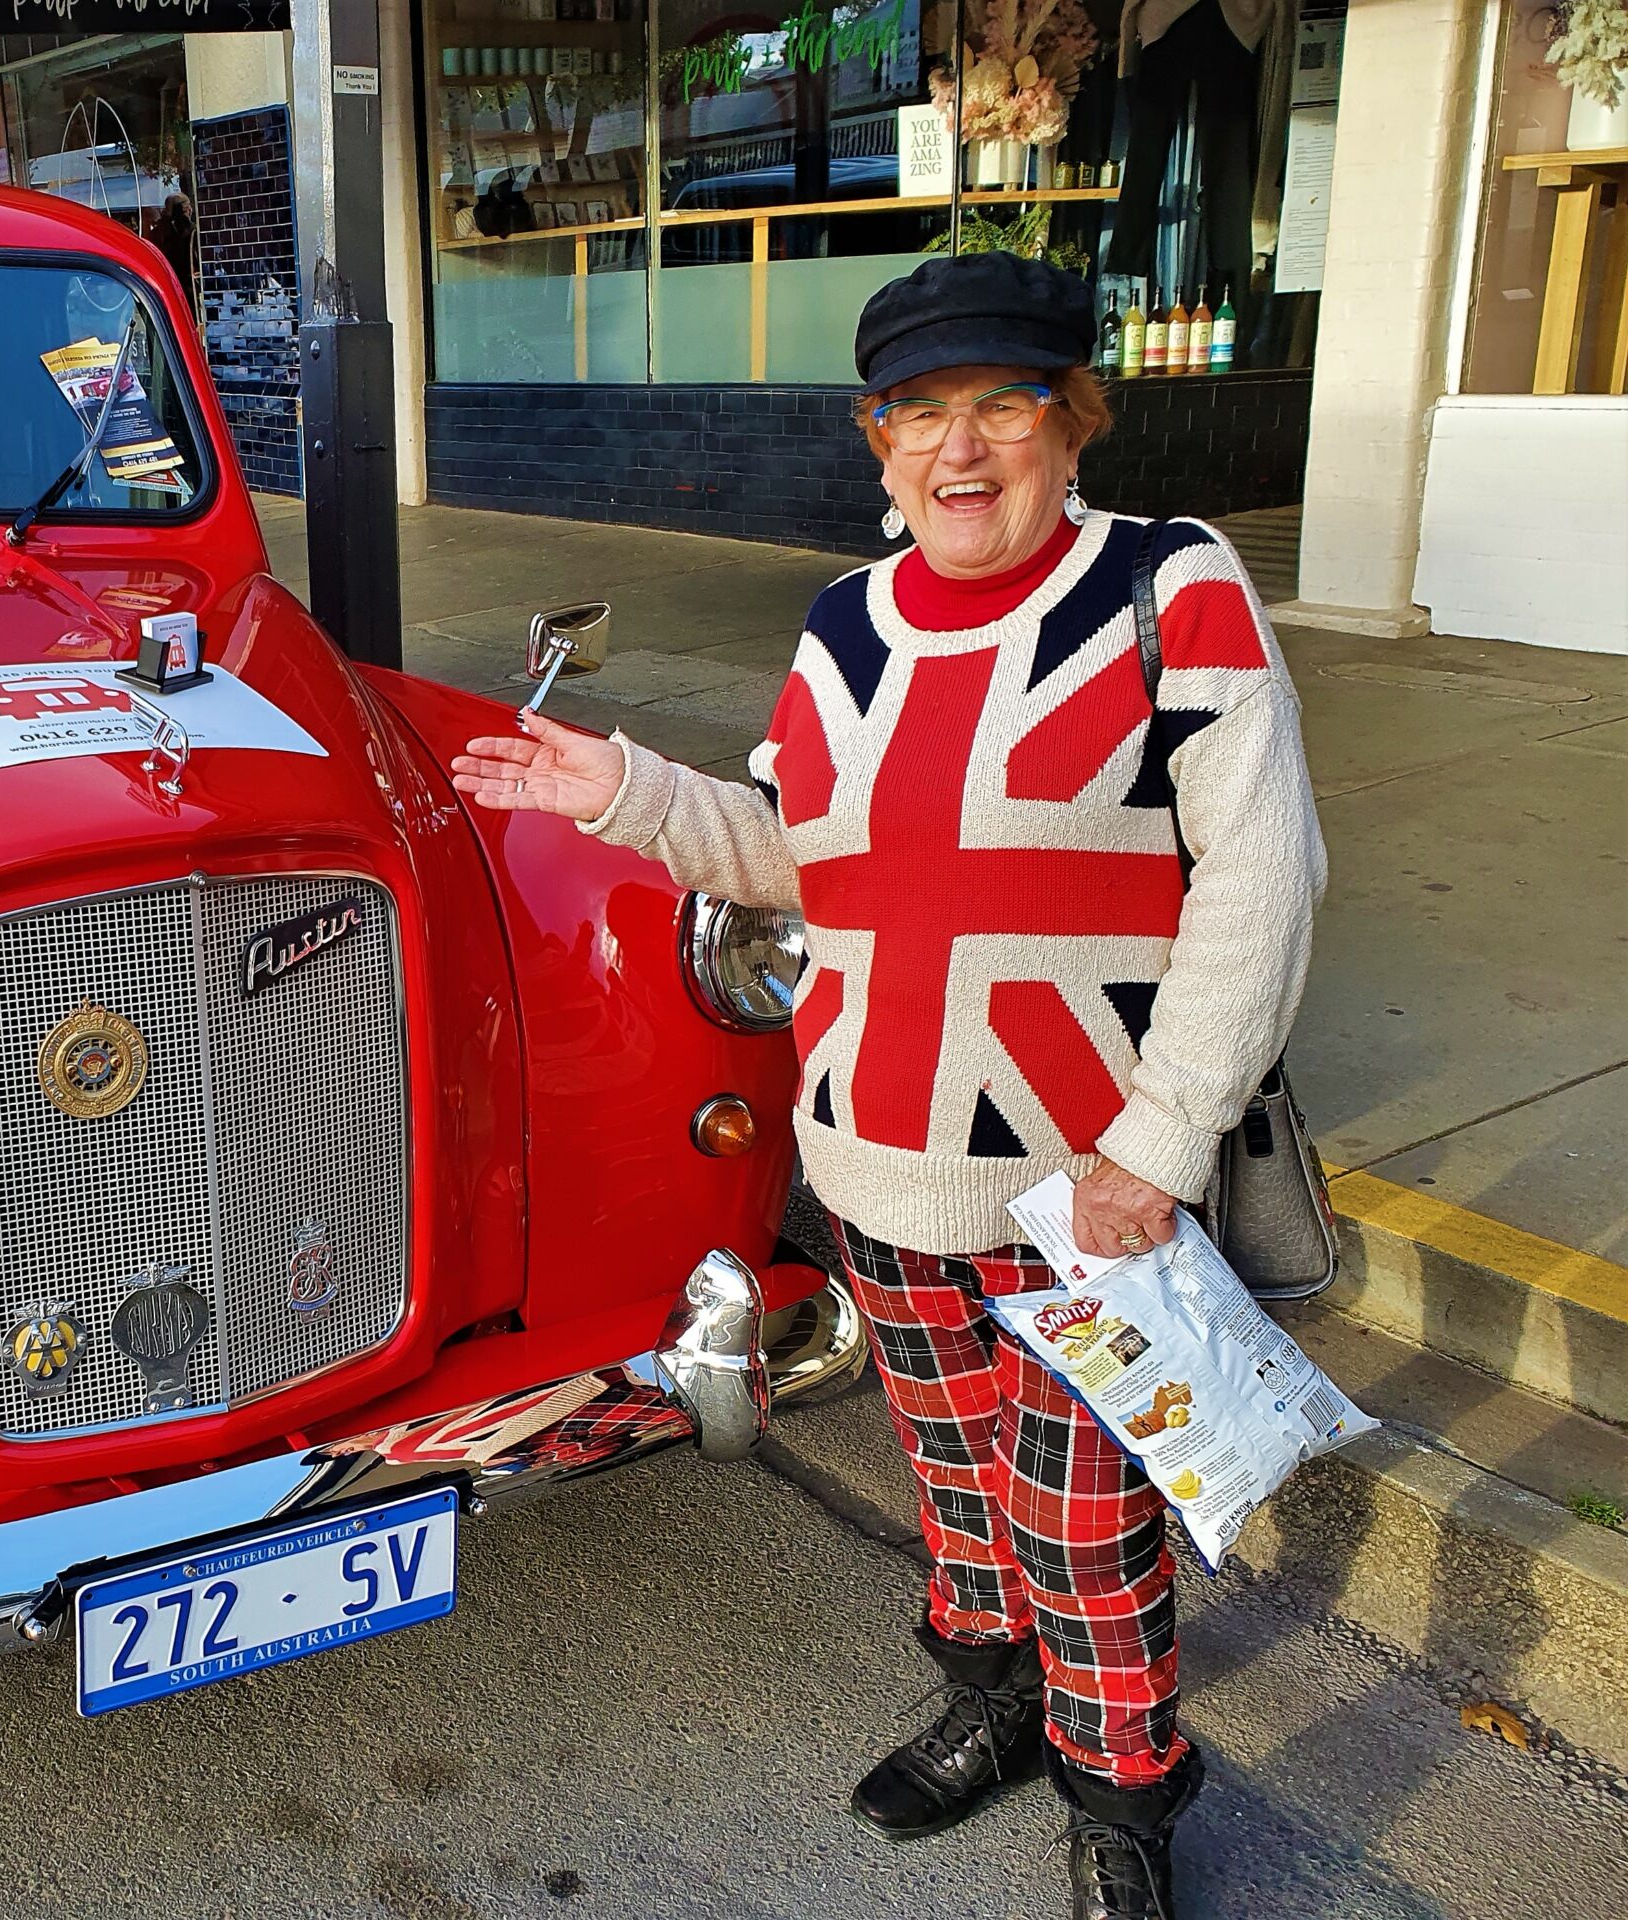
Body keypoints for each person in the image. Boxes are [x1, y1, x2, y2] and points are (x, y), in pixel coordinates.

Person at [449, 251, 1324, 1920]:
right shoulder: (848, 620)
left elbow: (1262, 881)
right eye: (921, 414)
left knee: (1084, 1518)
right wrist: (619, 786)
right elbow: (802, 856)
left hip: (1091, 1189)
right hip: (875, 1161)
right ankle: (993, 1704)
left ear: (1075, 424)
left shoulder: (1172, 585)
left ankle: (1125, 1794)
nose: (963, 447)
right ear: (879, 443)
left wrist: (1159, 1144)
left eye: (1005, 404)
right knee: (961, 1496)